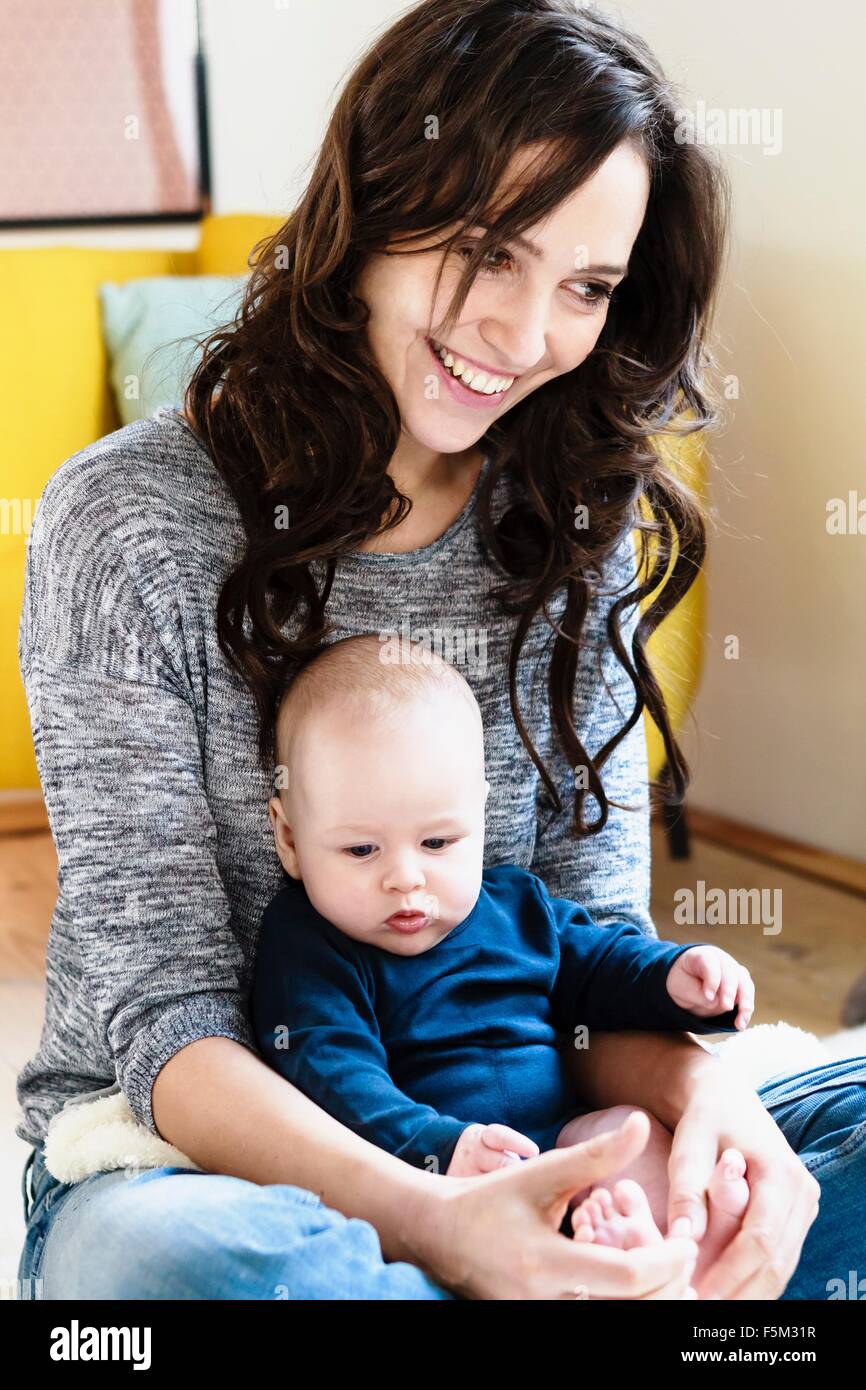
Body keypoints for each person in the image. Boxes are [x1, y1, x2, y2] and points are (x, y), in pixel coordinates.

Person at [14, 0, 861, 1300]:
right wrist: (434, 1220)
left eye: (584, 285)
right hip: (207, 1167)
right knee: (191, 1268)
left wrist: (710, 1117)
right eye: (489, 254)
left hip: (547, 1127)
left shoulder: (573, 517)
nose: (524, 338)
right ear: (371, 212)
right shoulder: (131, 524)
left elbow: (590, 954)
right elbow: (167, 1028)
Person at [253, 632, 755, 1296]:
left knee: (631, 1136)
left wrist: (675, 977)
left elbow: (600, 966)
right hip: (436, 1181)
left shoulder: (518, 906)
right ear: (290, 840)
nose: (406, 878)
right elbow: (332, 1073)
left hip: (561, 1136)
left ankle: (675, 1258)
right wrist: (438, 1145)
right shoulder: (308, 942)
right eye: (361, 851)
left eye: (438, 841)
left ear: (480, 820)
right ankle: (614, 1271)